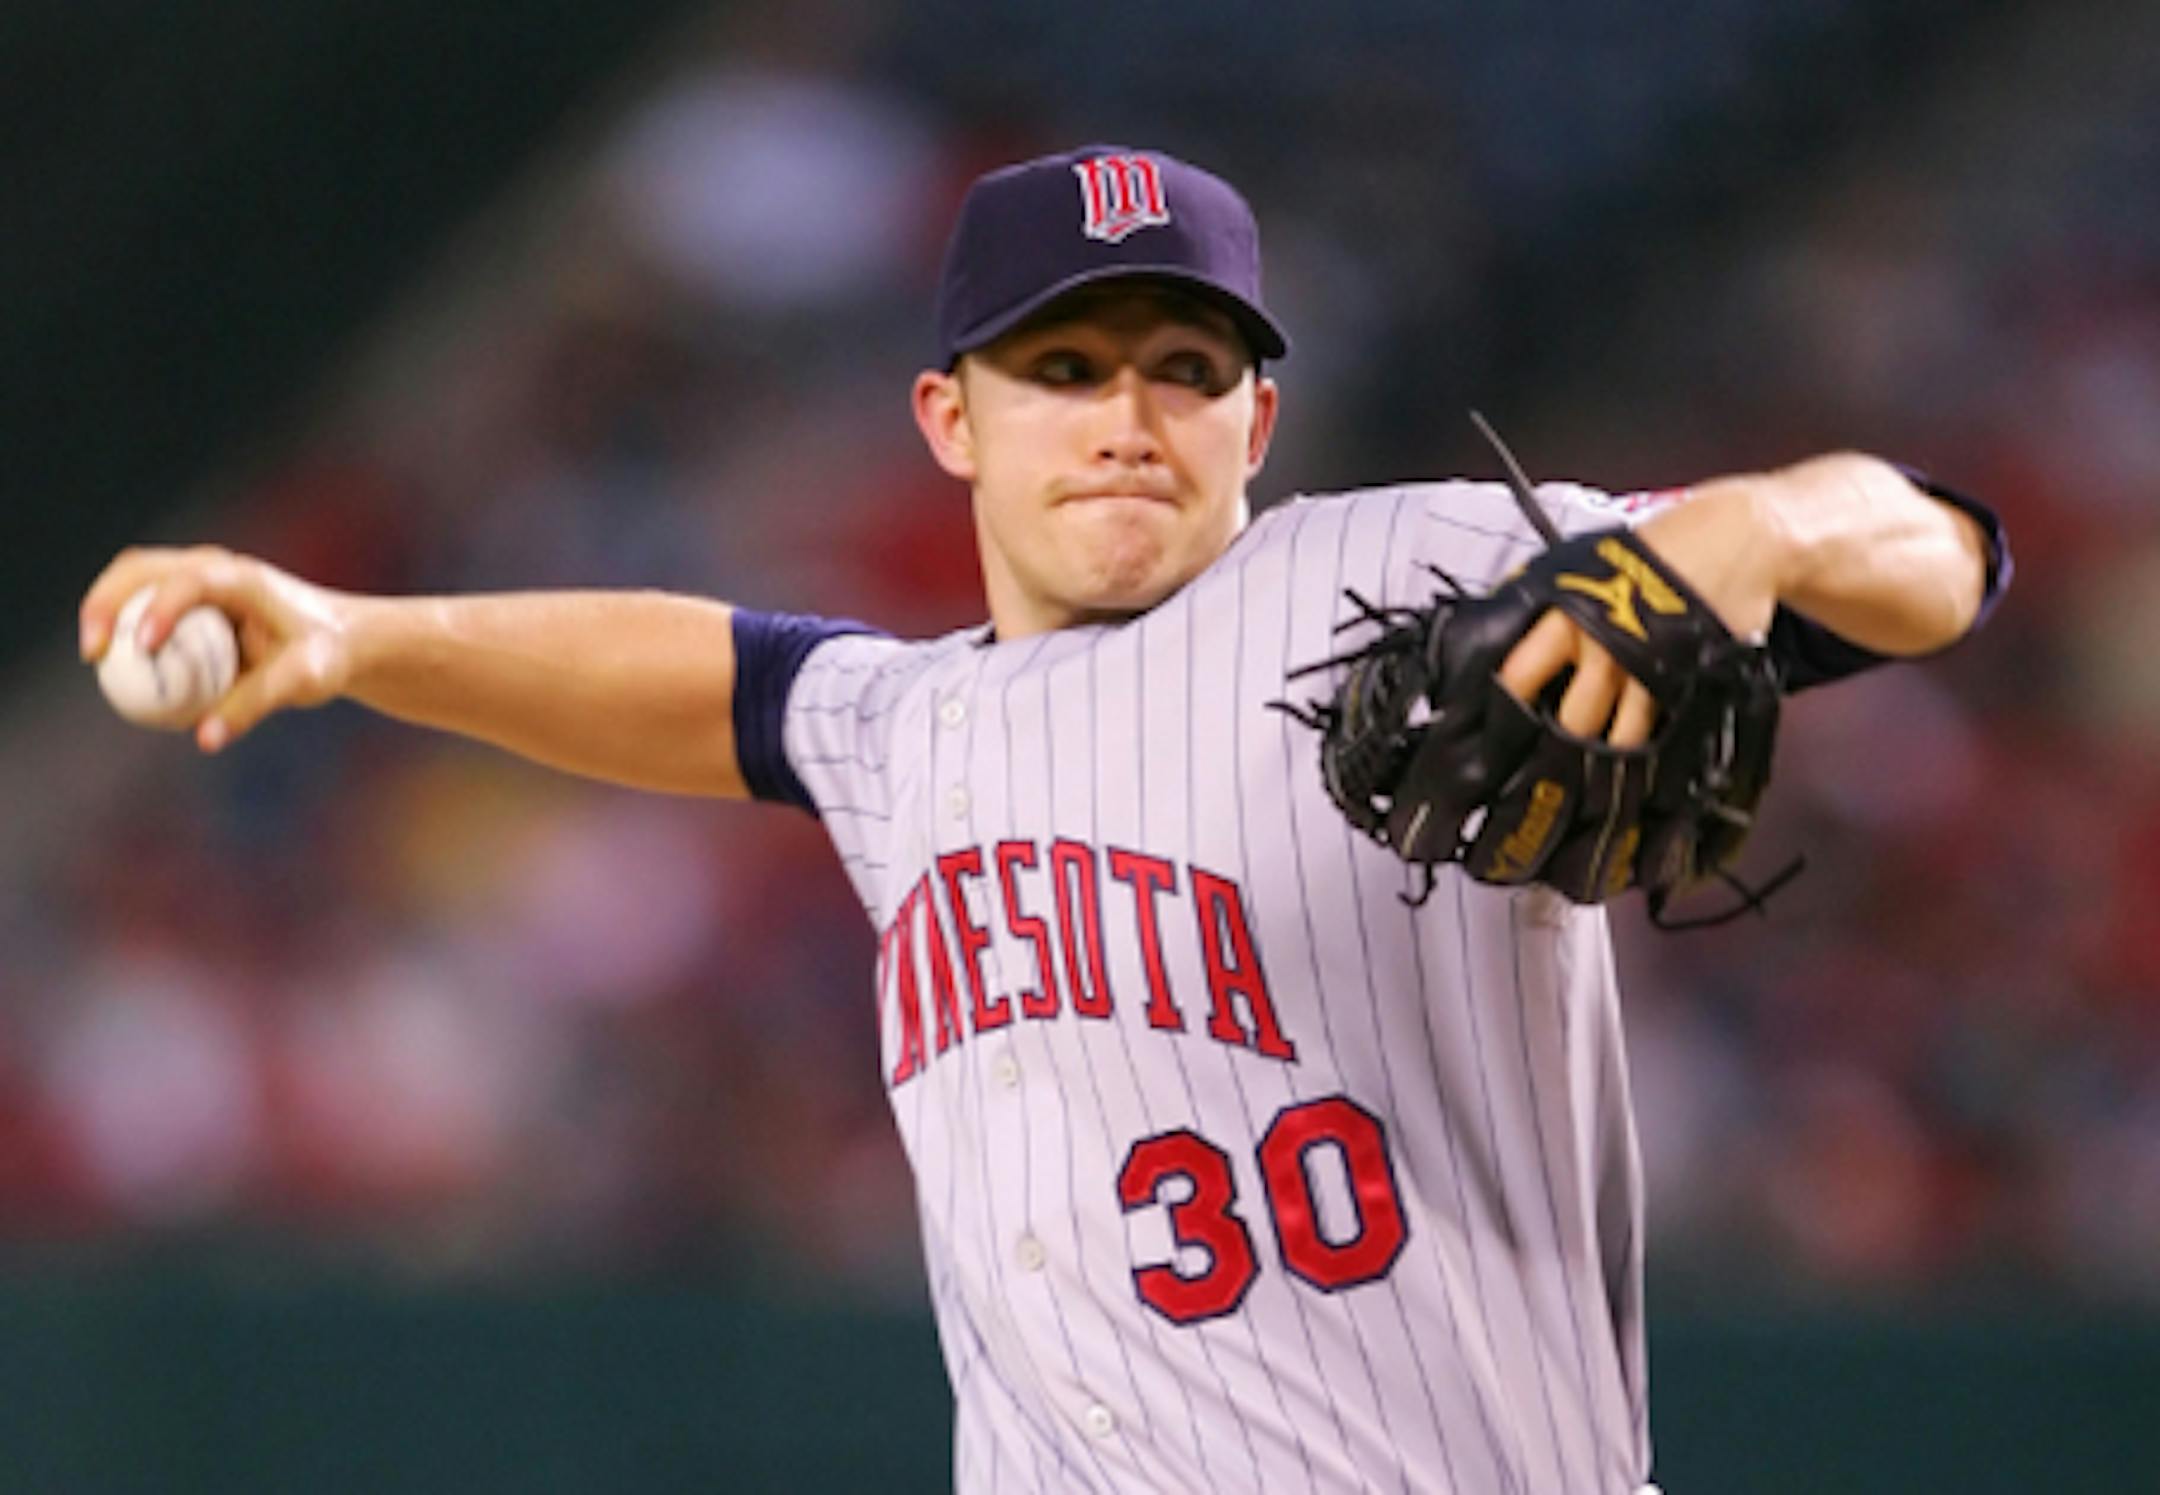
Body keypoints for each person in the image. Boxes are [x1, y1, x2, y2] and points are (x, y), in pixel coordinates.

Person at [80, 145, 2005, 1494]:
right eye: (1063, 370)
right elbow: (714, 678)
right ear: (950, 420)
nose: (1124, 418)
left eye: (1187, 371)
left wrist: (1745, 530)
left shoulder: (1413, 571)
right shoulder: (911, 727)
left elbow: (1937, 557)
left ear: (1258, 422)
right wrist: (349, 636)